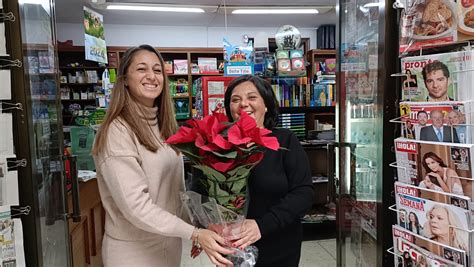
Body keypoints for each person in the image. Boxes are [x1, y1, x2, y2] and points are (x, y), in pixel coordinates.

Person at [91, 45, 233, 266]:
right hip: (133, 251)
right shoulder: (116, 132)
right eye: (141, 69)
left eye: (157, 70)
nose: (151, 76)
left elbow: (172, 193)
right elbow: (136, 207)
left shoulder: (164, 126)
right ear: (125, 79)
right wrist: (193, 233)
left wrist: (202, 224)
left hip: (168, 244)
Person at [223, 75, 314, 266]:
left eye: (252, 97)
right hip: (232, 249)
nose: (243, 104)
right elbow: (201, 192)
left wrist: (261, 226)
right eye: (235, 100)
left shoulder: (285, 141)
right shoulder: (218, 147)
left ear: (266, 105)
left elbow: (303, 193)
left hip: (279, 246)